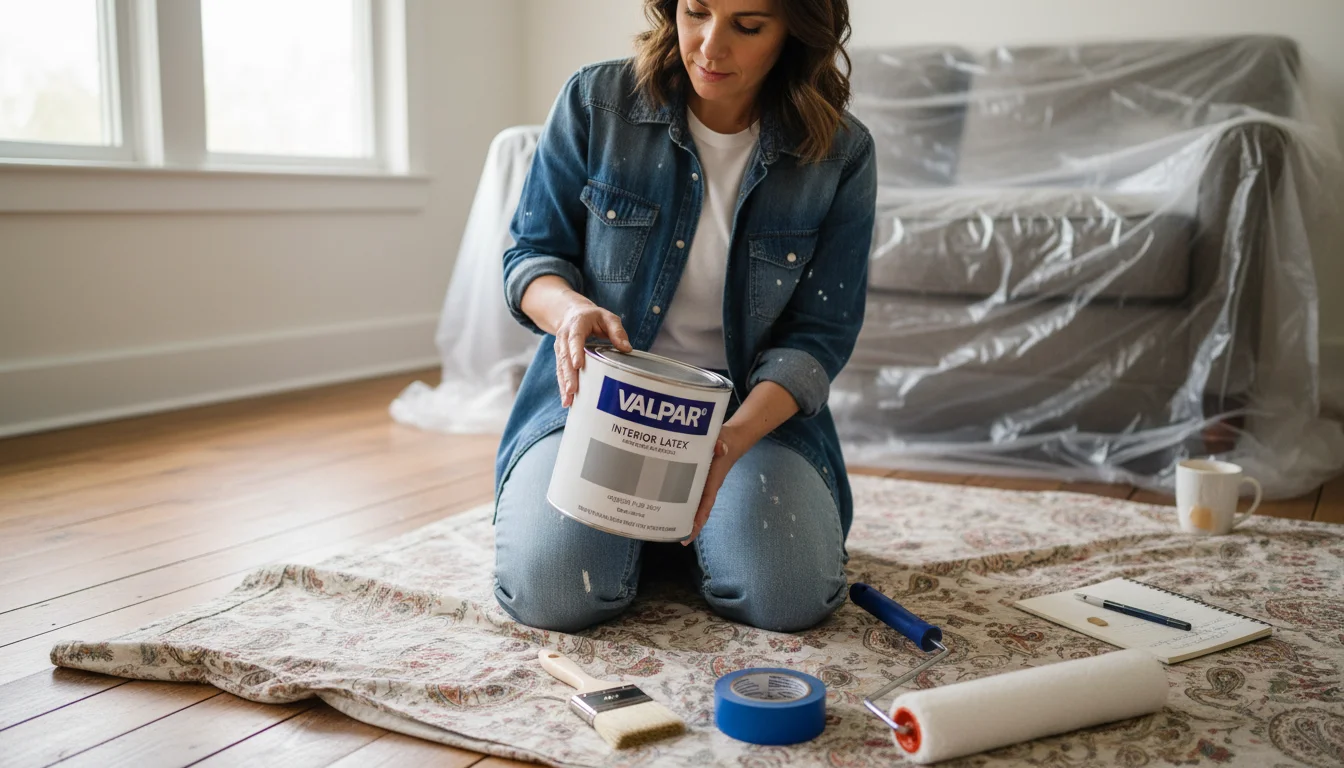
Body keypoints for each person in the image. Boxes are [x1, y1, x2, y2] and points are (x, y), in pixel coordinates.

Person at [492, 0, 876, 633]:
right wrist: (572, 310)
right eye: (696, 11)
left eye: (747, 25)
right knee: (557, 594)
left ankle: (675, 535)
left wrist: (728, 444)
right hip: (601, 400)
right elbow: (532, 257)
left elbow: (822, 333)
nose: (708, 45)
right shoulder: (598, 100)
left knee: (786, 597)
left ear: (797, 31)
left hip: (746, 414)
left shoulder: (841, 151)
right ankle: (660, 538)